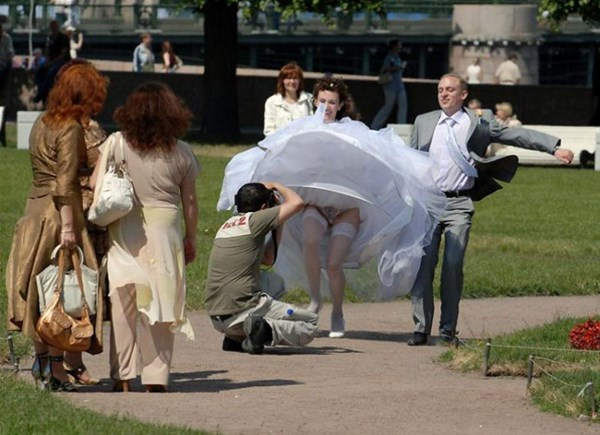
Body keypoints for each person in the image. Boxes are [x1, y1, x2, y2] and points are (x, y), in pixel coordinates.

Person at [217, 76, 446, 339]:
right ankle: (315, 300)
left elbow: (376, 157)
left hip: (346, 209)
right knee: (311, 244)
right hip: (315, 205)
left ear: (341, 105)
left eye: (332, 102)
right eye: (322, 101)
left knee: (334, 263)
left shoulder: (352, 130)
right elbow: (277, 151)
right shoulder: (302, 128)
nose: (327, 106)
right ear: (315, 101)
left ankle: (338, 311)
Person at [407, 73, 574, 346]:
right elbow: (410, 161)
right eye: (440, 89)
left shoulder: (479, 122)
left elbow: (516, 134)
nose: (444, 93)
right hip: (428, 203)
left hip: (459, 204)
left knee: (452, 265)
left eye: (450, 89)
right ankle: (420, 328)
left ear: (463, 95)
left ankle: (447, 330)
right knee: (423, 267)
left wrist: (553, 148)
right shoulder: (424, 121)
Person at [6, 62, 109, 391]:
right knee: (62, 292)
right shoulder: (71, 127)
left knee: (39, 290)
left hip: (33, 209)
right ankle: (56, 370)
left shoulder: (41, 120)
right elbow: (65, 183)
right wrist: (69, 228)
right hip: (59, 215)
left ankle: (43, 363)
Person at [91, 82, 199, 392]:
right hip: (164, 229)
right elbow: (190, 201)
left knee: (122, 304)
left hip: (125, 227)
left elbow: (97, 183)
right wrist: (191, 238)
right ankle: (156, 377)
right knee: (161, 305)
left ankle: (122, 375)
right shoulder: (182, 151)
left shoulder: (116, 143)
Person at [205, 182, 318, 354]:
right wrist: (275, 185)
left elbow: (268, 259)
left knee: (274, 282)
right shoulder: (255, 220)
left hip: (218, 316)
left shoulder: (228, 224)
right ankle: (261, 330)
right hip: (241, 309)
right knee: (310, 323)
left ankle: (236, 337)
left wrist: (279, 221)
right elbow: (297, 203)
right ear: (265, 207)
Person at [263, 62, 313, 136]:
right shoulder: (272, 102)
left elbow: (314, 126)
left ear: (300, 80)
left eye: (295, 78)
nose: (292, 81)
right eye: (288, 78)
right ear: (282, 81)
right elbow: (268, 130)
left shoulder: (309, 99)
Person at [371, 38, 408, 129]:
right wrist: (399, 67)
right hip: (390, 85)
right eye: (399, 45)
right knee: (388, 106)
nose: (400, 47)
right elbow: (387, 68)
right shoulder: (389, 57)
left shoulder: (397, 57)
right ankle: (375, 126)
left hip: (399, 85)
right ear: (394, 47)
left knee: (403, 105)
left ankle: (401, 126)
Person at [34, 20, 71, 104]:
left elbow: (63, 55)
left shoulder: (64, 38)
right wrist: (47, 61)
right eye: (52, 27)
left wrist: (51, 63)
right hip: (51, 61)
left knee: (51, 72)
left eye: (55, 27)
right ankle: (42, 92)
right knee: (39, 71)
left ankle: (41, 94)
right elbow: (47, 51)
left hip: (62, 62)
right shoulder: (49, 38)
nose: (53, 29)